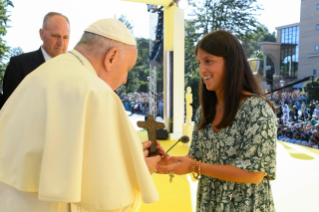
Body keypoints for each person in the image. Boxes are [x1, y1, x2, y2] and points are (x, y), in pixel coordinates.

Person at [0, 19, 165, 212]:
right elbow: (105, 202)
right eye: (127, 69)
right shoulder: (97, 93)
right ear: (111, 57)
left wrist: (131, 155)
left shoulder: (37, 76)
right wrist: (140, 172)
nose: (124, 80)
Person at [158, 31, 277, 211]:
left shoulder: (256, 109)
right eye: (199, 62)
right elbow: (196, 156)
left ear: (231, 62)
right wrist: (172, 162)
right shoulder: (204, 110)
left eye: (208, 60)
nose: (201, 69)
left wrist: (196, 166)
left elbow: (254, 174)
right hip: (209, 203)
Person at [0, 12, 70, 109]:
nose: (61, 43)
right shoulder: (19, 65)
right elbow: (9, 112)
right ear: (42, 34)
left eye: (65, 37)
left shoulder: (76, 70)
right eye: (56, 36)